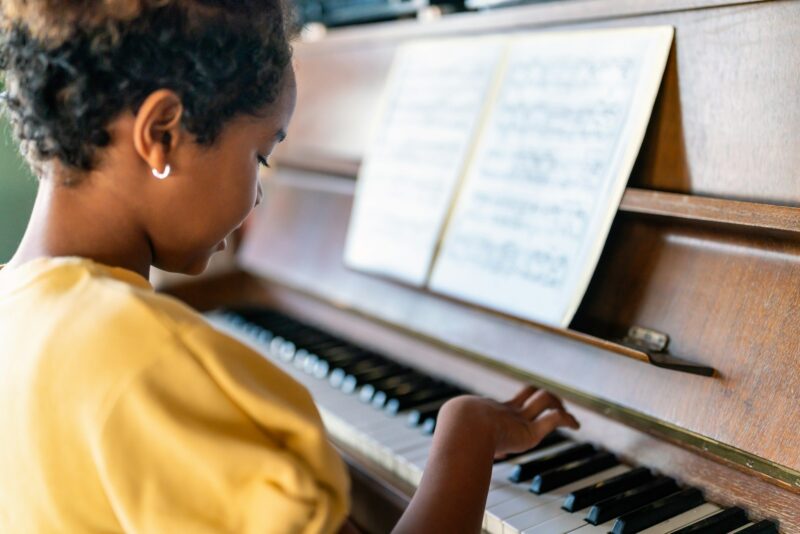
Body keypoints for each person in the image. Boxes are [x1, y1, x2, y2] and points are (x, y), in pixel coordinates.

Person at [0, 1, 579, 532]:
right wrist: (467, 437)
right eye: (262, 155)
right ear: (163, 133)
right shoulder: (150, 361)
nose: (258, 197)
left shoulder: (18, 312)